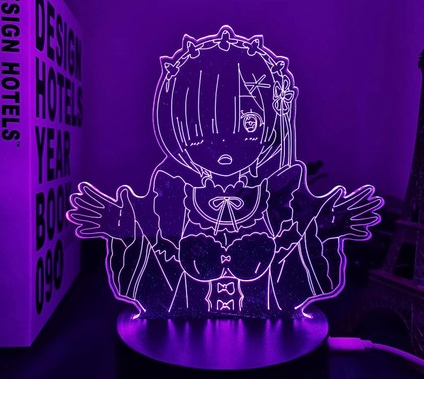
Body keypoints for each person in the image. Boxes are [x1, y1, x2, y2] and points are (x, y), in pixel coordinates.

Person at [67, 26, 383, 318]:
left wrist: (329, 223)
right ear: (175, 128)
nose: (225, 148)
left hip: (266, 314)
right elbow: (148, 242)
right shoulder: (172, 194)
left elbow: (302, 239)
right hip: (184, 316)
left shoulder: (277, 193)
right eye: (198, 131)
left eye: (248, 127)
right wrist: (121, 226)